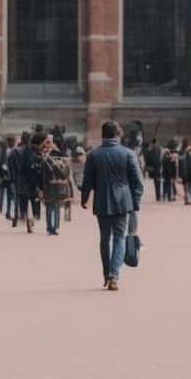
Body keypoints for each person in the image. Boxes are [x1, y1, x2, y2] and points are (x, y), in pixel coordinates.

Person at [79, 121, 143, 291]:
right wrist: (135, 203)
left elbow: (87, 181)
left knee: (105, 238)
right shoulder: (128, 153)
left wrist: (84, 199)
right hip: (123, 202)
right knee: (119, 238)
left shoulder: (93, 155)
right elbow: (138, 182)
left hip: (101, 201)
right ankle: (114, 276)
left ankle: (106, 274)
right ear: (117, 133)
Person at [38, 142, 74, 236]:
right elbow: (65, 175)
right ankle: (54, 228)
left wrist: (41, 189)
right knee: (55, 208)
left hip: (49, 188)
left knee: (50, 208)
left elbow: (41, 177)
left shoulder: (45, 162)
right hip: (58, 187)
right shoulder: (61, 161)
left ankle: (50, 228)